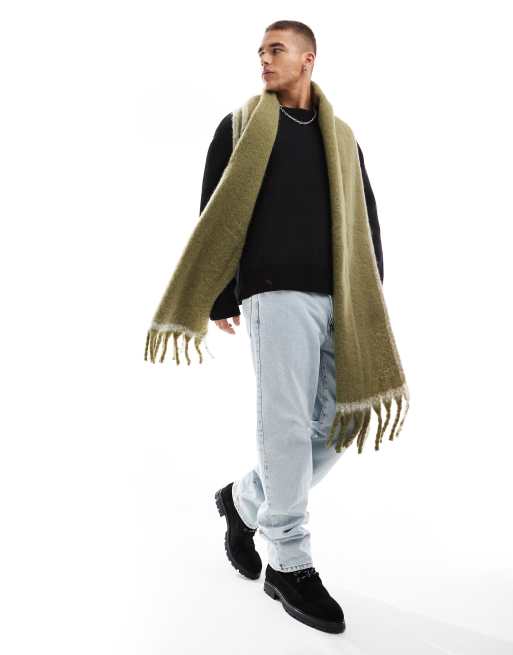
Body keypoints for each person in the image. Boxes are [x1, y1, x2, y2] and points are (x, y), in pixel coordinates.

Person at [212, 20, 383, 635]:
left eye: (276, 49)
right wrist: (220, 293)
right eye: (261, 51)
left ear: (308, 59)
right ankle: (288, 561)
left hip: (340, 295)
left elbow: (364, 218)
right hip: (274, 289)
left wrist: (371, 296)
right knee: (284, 424)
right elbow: (215, 211)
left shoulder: (341, 136)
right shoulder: (239, 126)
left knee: (342, 421)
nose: (264, 58)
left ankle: (244, 500)